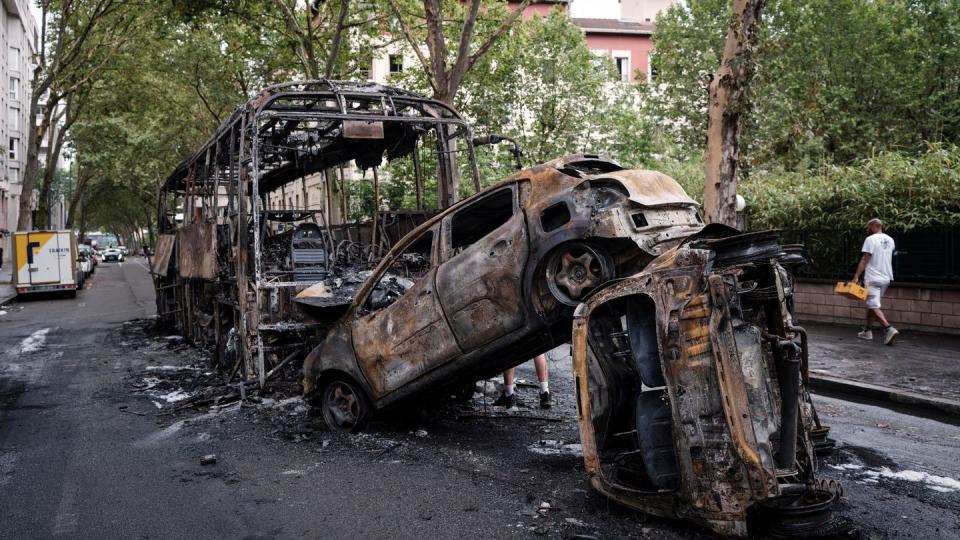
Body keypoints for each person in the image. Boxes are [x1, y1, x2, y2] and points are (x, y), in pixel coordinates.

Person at [852, 218, 898, 345]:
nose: (868, 230)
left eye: (869, 227)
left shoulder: (870, 239)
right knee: (873, 305)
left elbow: (865, 259)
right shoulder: (890, 240)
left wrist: (856, 276)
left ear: (873, 226)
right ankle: (868, 331)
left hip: (873, 278)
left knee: (873, 305)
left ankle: (888, 329)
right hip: (886, 278)